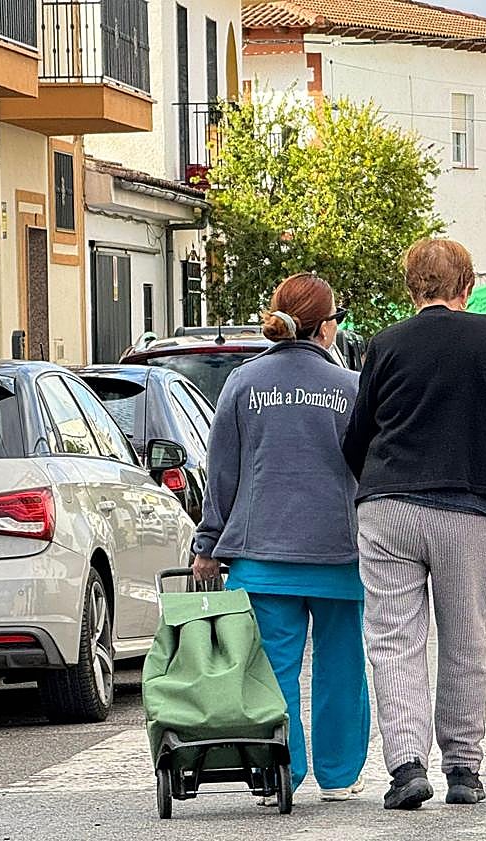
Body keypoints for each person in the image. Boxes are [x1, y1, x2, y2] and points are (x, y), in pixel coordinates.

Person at [342, 238, 486, 811]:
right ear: (467, 286)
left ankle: (405, 767)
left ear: (412, 288)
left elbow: (358, 434)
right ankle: (464, 768)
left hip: (390, 504)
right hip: (468, 506)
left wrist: (374, 484)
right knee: (465, 641)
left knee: (394, 640)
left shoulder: (385, 344)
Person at [191, 272, 368, 803]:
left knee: (273, 671)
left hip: (263, 555)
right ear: (326, 328)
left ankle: (279, 773)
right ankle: (339, 777)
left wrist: (207, 544)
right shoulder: (351, 388)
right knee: (342, 668)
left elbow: (221, 470)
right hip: (340, 551)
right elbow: (369, 468)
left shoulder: (242, 383)